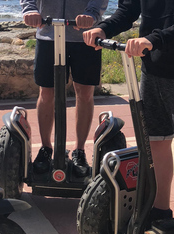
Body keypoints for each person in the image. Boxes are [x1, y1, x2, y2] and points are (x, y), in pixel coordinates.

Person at [83, 0, 174, 219]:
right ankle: (160, 212)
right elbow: (129, 8)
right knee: (155, 143)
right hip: (152, 69)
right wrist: (105, 28)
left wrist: (153, 40)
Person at [20, 0, 109, 177]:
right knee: (46, 93)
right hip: (48, 33)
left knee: (85, 93)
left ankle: (79, 150)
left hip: (86, 36)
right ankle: (46, 148)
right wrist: (30, 9)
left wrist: (92, 14)